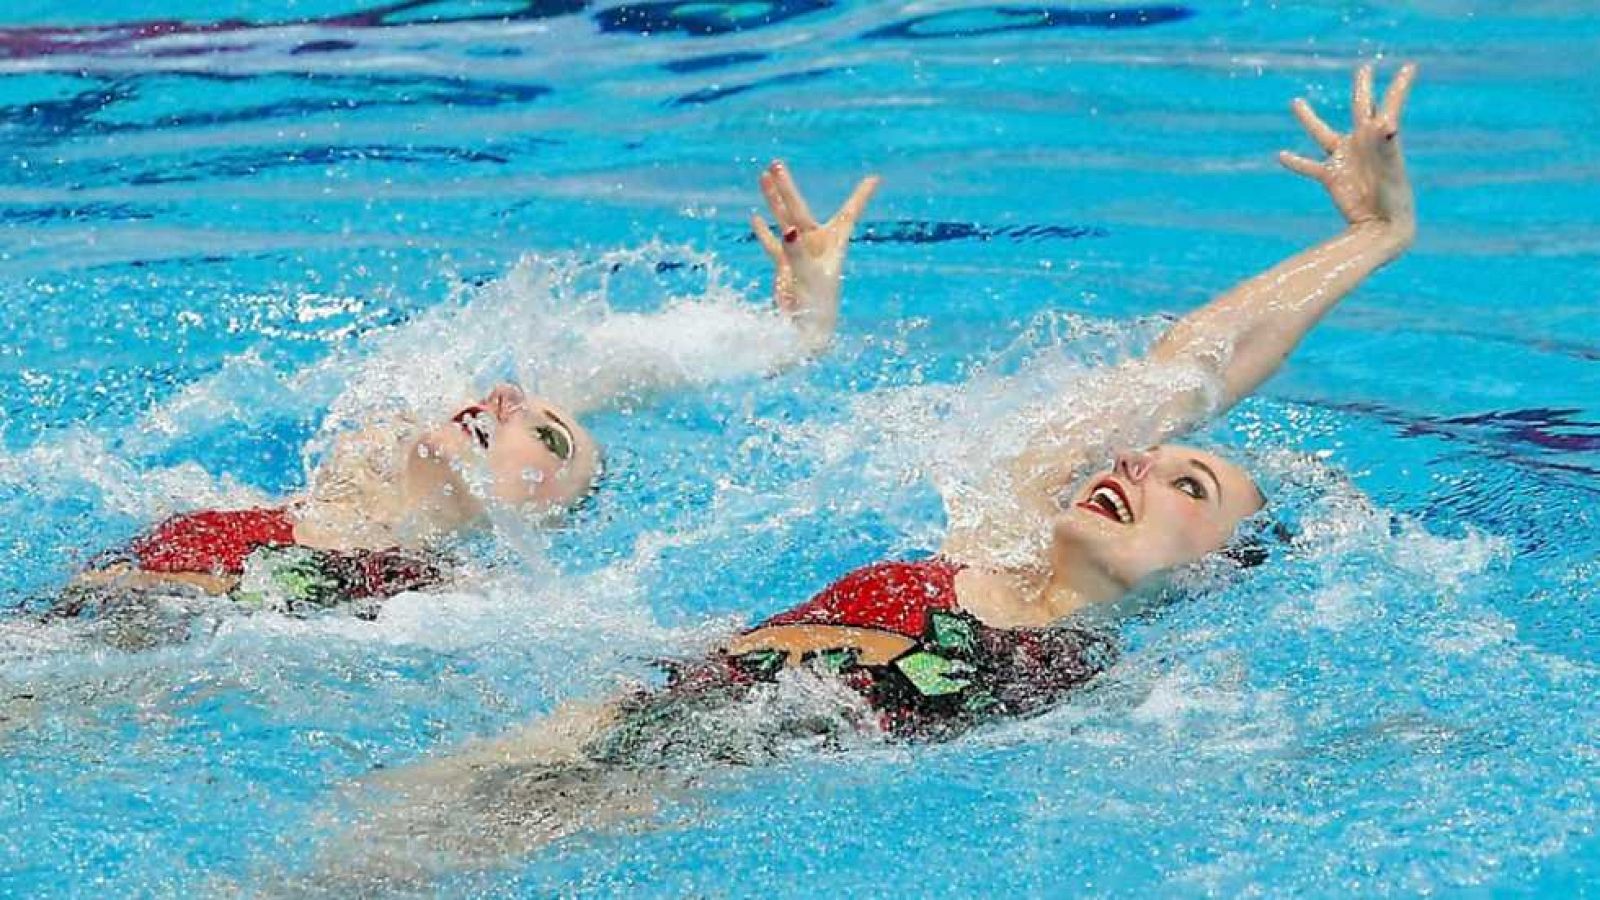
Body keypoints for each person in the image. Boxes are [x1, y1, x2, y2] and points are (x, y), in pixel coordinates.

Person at [319, 62, 1421, 880]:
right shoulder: (994, 528)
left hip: (666, 820)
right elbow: (1190, 364)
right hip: (604, 722)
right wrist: (1373, 240)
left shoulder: (1123, 695)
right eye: (1159, 459)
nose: (1140, 463)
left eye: (1192, 487)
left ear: (1214, 570)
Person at [57, 161, 882, 621]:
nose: (507, 401)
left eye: (547, 438)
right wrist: (793, 332)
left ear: (534, 515)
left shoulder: (437, 605)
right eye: (516, 398)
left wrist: (808, 334)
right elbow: (639, 364)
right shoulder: (235, 499)